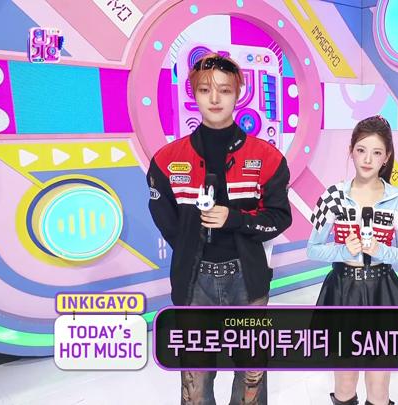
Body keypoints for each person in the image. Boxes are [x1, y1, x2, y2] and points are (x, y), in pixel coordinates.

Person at [146, 53, 292, 405]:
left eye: (225, 90)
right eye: (205, 90)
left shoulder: (268, 157)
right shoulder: (166, 160)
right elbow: (165, 218)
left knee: (251, 373)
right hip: (193, 282)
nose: (215, 98)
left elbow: (279, 217)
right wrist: (190, 244)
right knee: (195, 378)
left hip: (248, 279)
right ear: (193, 94)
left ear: (237, 94)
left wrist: (235, 219)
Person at [307, 115, 398, 405]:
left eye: (377, 152)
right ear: (351, 150)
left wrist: (381, 251)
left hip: (382, 291)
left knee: (379, 387)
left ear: (386, 157)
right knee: (344, 384)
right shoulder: (332, 196)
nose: (368, 159)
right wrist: (343, 251)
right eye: (361, 150)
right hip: (343, 292)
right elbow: (313, 249)